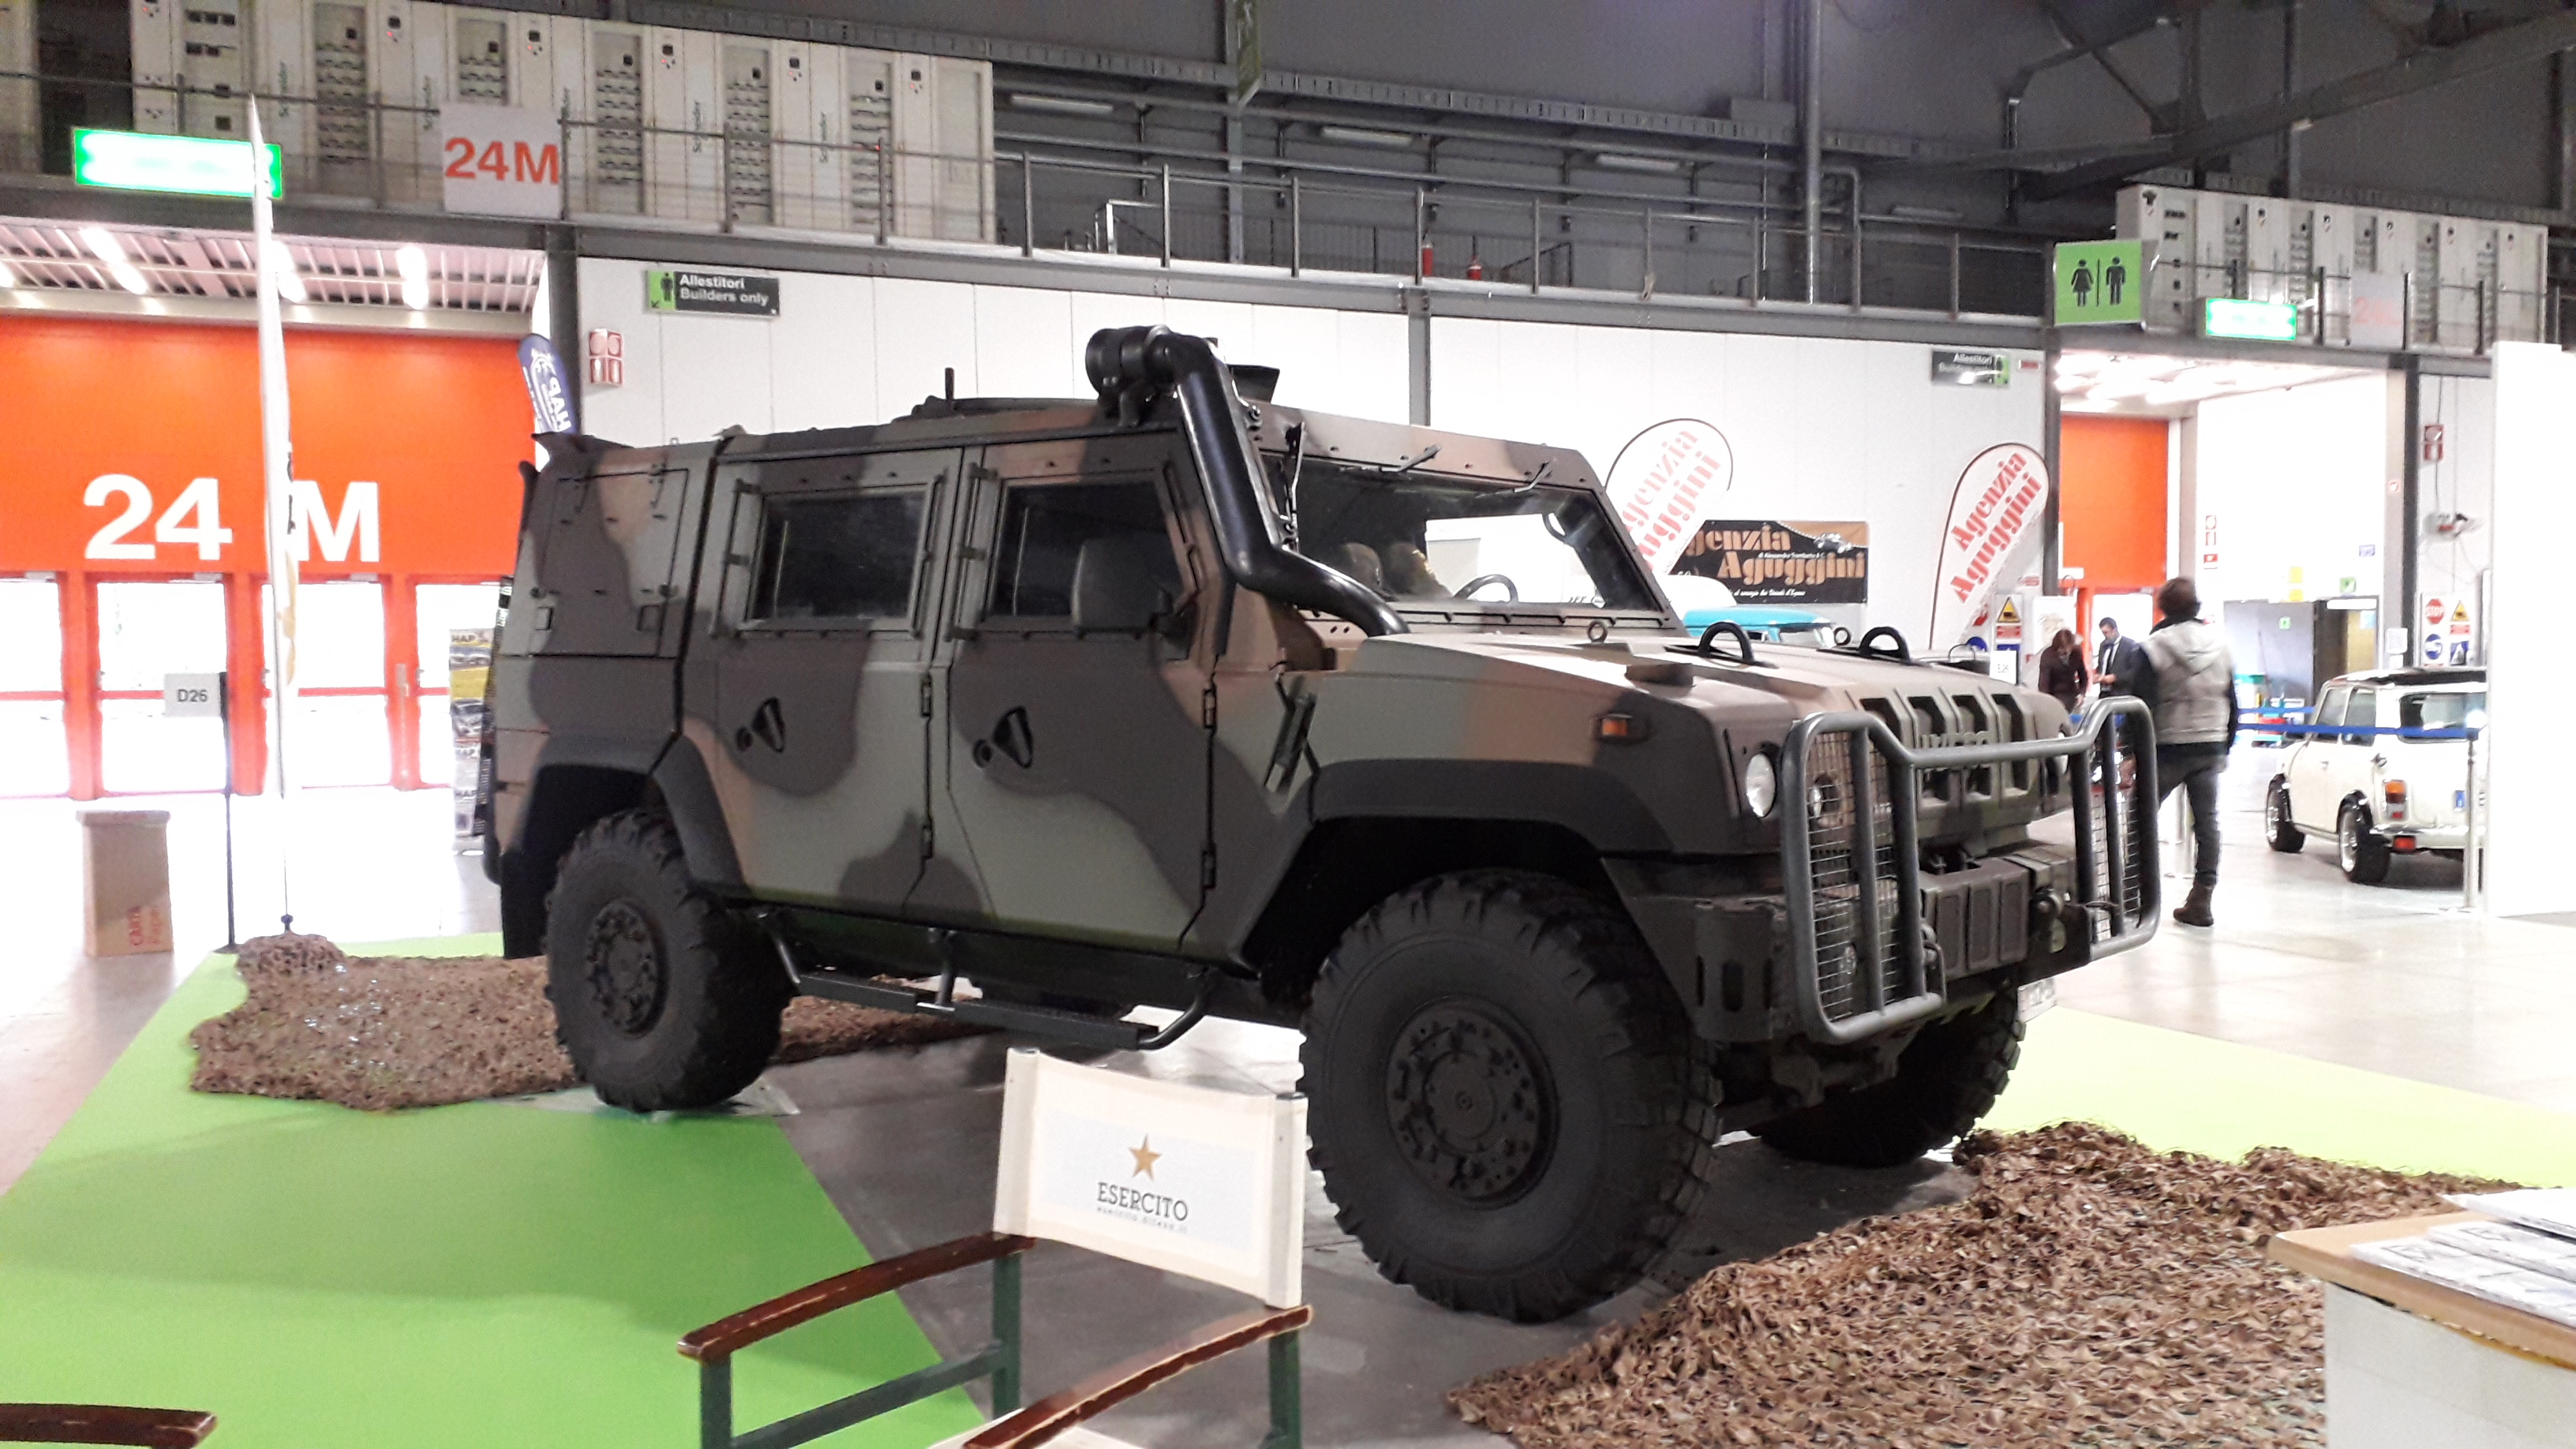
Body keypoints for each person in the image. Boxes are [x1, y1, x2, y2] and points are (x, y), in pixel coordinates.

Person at [2140, 576, 2237, 928]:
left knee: (2140, 817)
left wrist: (2132, 753)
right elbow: (2233, 700)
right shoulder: (2221, 645)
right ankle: (2202, 898)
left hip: (2166, 745)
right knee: (2207, 822)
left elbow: (2141, 703)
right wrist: (2225, 744)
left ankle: (2134, 894)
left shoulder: (2154, 647)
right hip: (2209, 744)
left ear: (2163, 607)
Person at [2037, 628, 2088, 713]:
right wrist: (2047, 703)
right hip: (2054, 696)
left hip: (2072, 694)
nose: (2066, 651)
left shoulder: (2076, 652)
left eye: (2069, 648)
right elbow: (2044, 683)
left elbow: (2083, 676)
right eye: (2063, 649)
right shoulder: (2048, 656)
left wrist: (2082, 694)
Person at [2095, 616, 2148, 698]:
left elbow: (2135, 671)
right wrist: (2098, 675)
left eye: (2106, 633)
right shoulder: (2103, 645)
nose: (2105, 636)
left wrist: (2116, 678)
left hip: (2122, 692)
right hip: (2104, 691)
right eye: (2103, 633)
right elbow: (2101, 665)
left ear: (2114, 630)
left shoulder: (2130, 645)